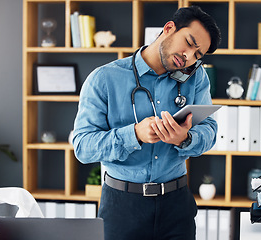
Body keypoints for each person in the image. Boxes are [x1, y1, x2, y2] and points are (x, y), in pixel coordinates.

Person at [73, 5, 221, 240]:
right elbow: (82, 146)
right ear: (169, 28)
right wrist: (134, 134)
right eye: (190, 43)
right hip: (122, 206)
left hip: (176, 204)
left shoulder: (196, 78)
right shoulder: (104, 79)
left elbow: (210, 130)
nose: (189, 57)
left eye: (197, 55)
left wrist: (185, 138)